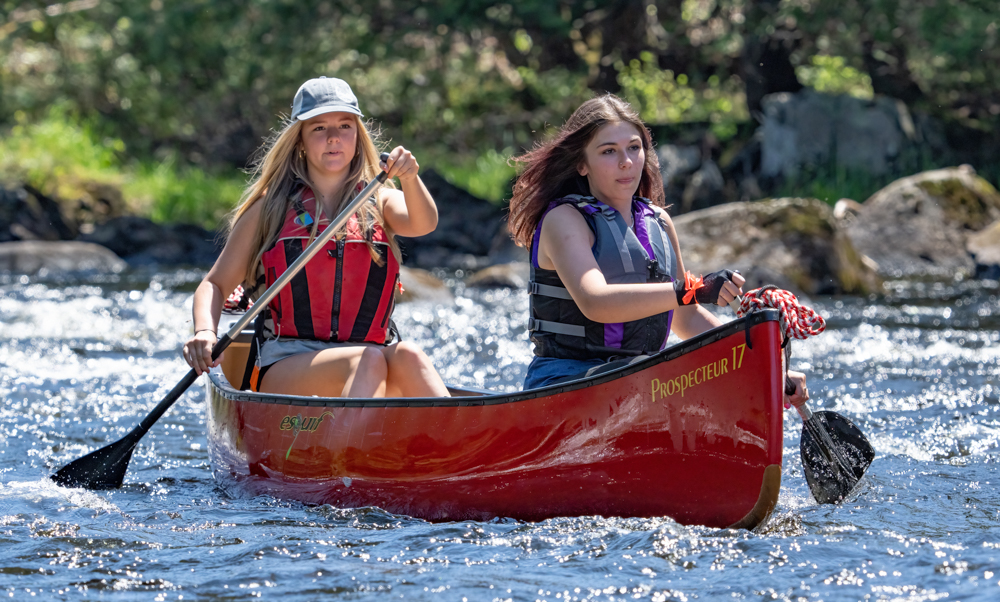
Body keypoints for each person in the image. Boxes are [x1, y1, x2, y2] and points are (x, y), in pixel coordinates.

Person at [507, 94, 808, 406]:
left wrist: (767, 364)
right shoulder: (565, 220)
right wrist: (693, 289)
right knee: (659, 376)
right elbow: (594, 301)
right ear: (582, 164)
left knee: (714, 376)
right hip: (564, 382)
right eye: (609, 151)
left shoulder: (659, 222)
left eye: (634, 148)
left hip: (640, 381)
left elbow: (687, 320)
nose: (626, 161)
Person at [182, 76, 449, 398]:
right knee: (368, 360)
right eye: (319, 128)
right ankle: (355, 445)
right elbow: (215, 284)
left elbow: (424, 223)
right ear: (300, 142)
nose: (334, 138)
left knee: (409, 355)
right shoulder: (270, 207)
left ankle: (461, 445)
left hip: (368, 356)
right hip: (288, 363)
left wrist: (410, 178)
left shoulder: (379, 200)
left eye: (345, 126)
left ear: (358, 136)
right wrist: (204, 332)